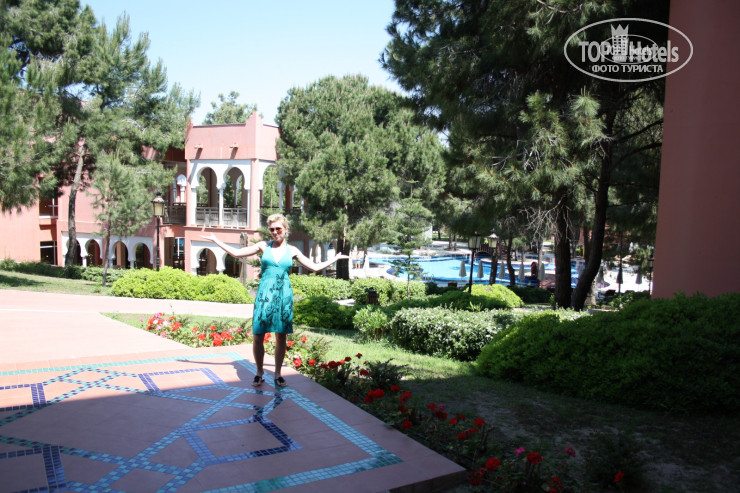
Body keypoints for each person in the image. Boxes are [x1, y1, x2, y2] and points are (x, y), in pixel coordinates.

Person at [201, 213, 348, 388]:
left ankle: (278, 374)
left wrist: (334, 258)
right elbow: (237, 253)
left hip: (283, 296)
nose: (275, 232)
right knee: (258, 336)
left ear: (286, 229)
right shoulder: (263, 246)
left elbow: (314, 267)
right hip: (264, 295)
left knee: (281, 336)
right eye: (272, 229)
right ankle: (259, 372)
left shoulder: (293, 250)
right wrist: (216, 240)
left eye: (278, 228)